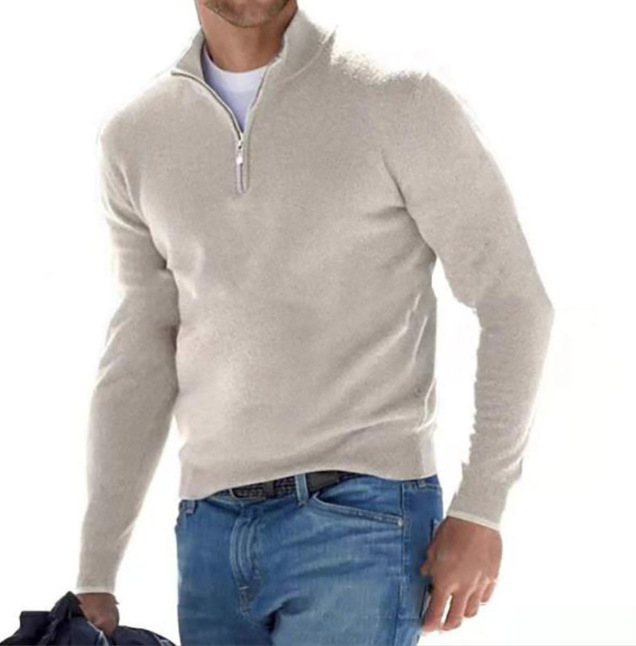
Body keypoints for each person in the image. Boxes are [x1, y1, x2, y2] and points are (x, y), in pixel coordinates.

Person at [74, 1, 555, 644]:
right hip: (208, 532)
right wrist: (96, 570)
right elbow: (139, 354)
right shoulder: (136, 137)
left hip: (361, 518)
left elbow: (515, 302)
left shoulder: (397, 99)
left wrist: (481, 509)